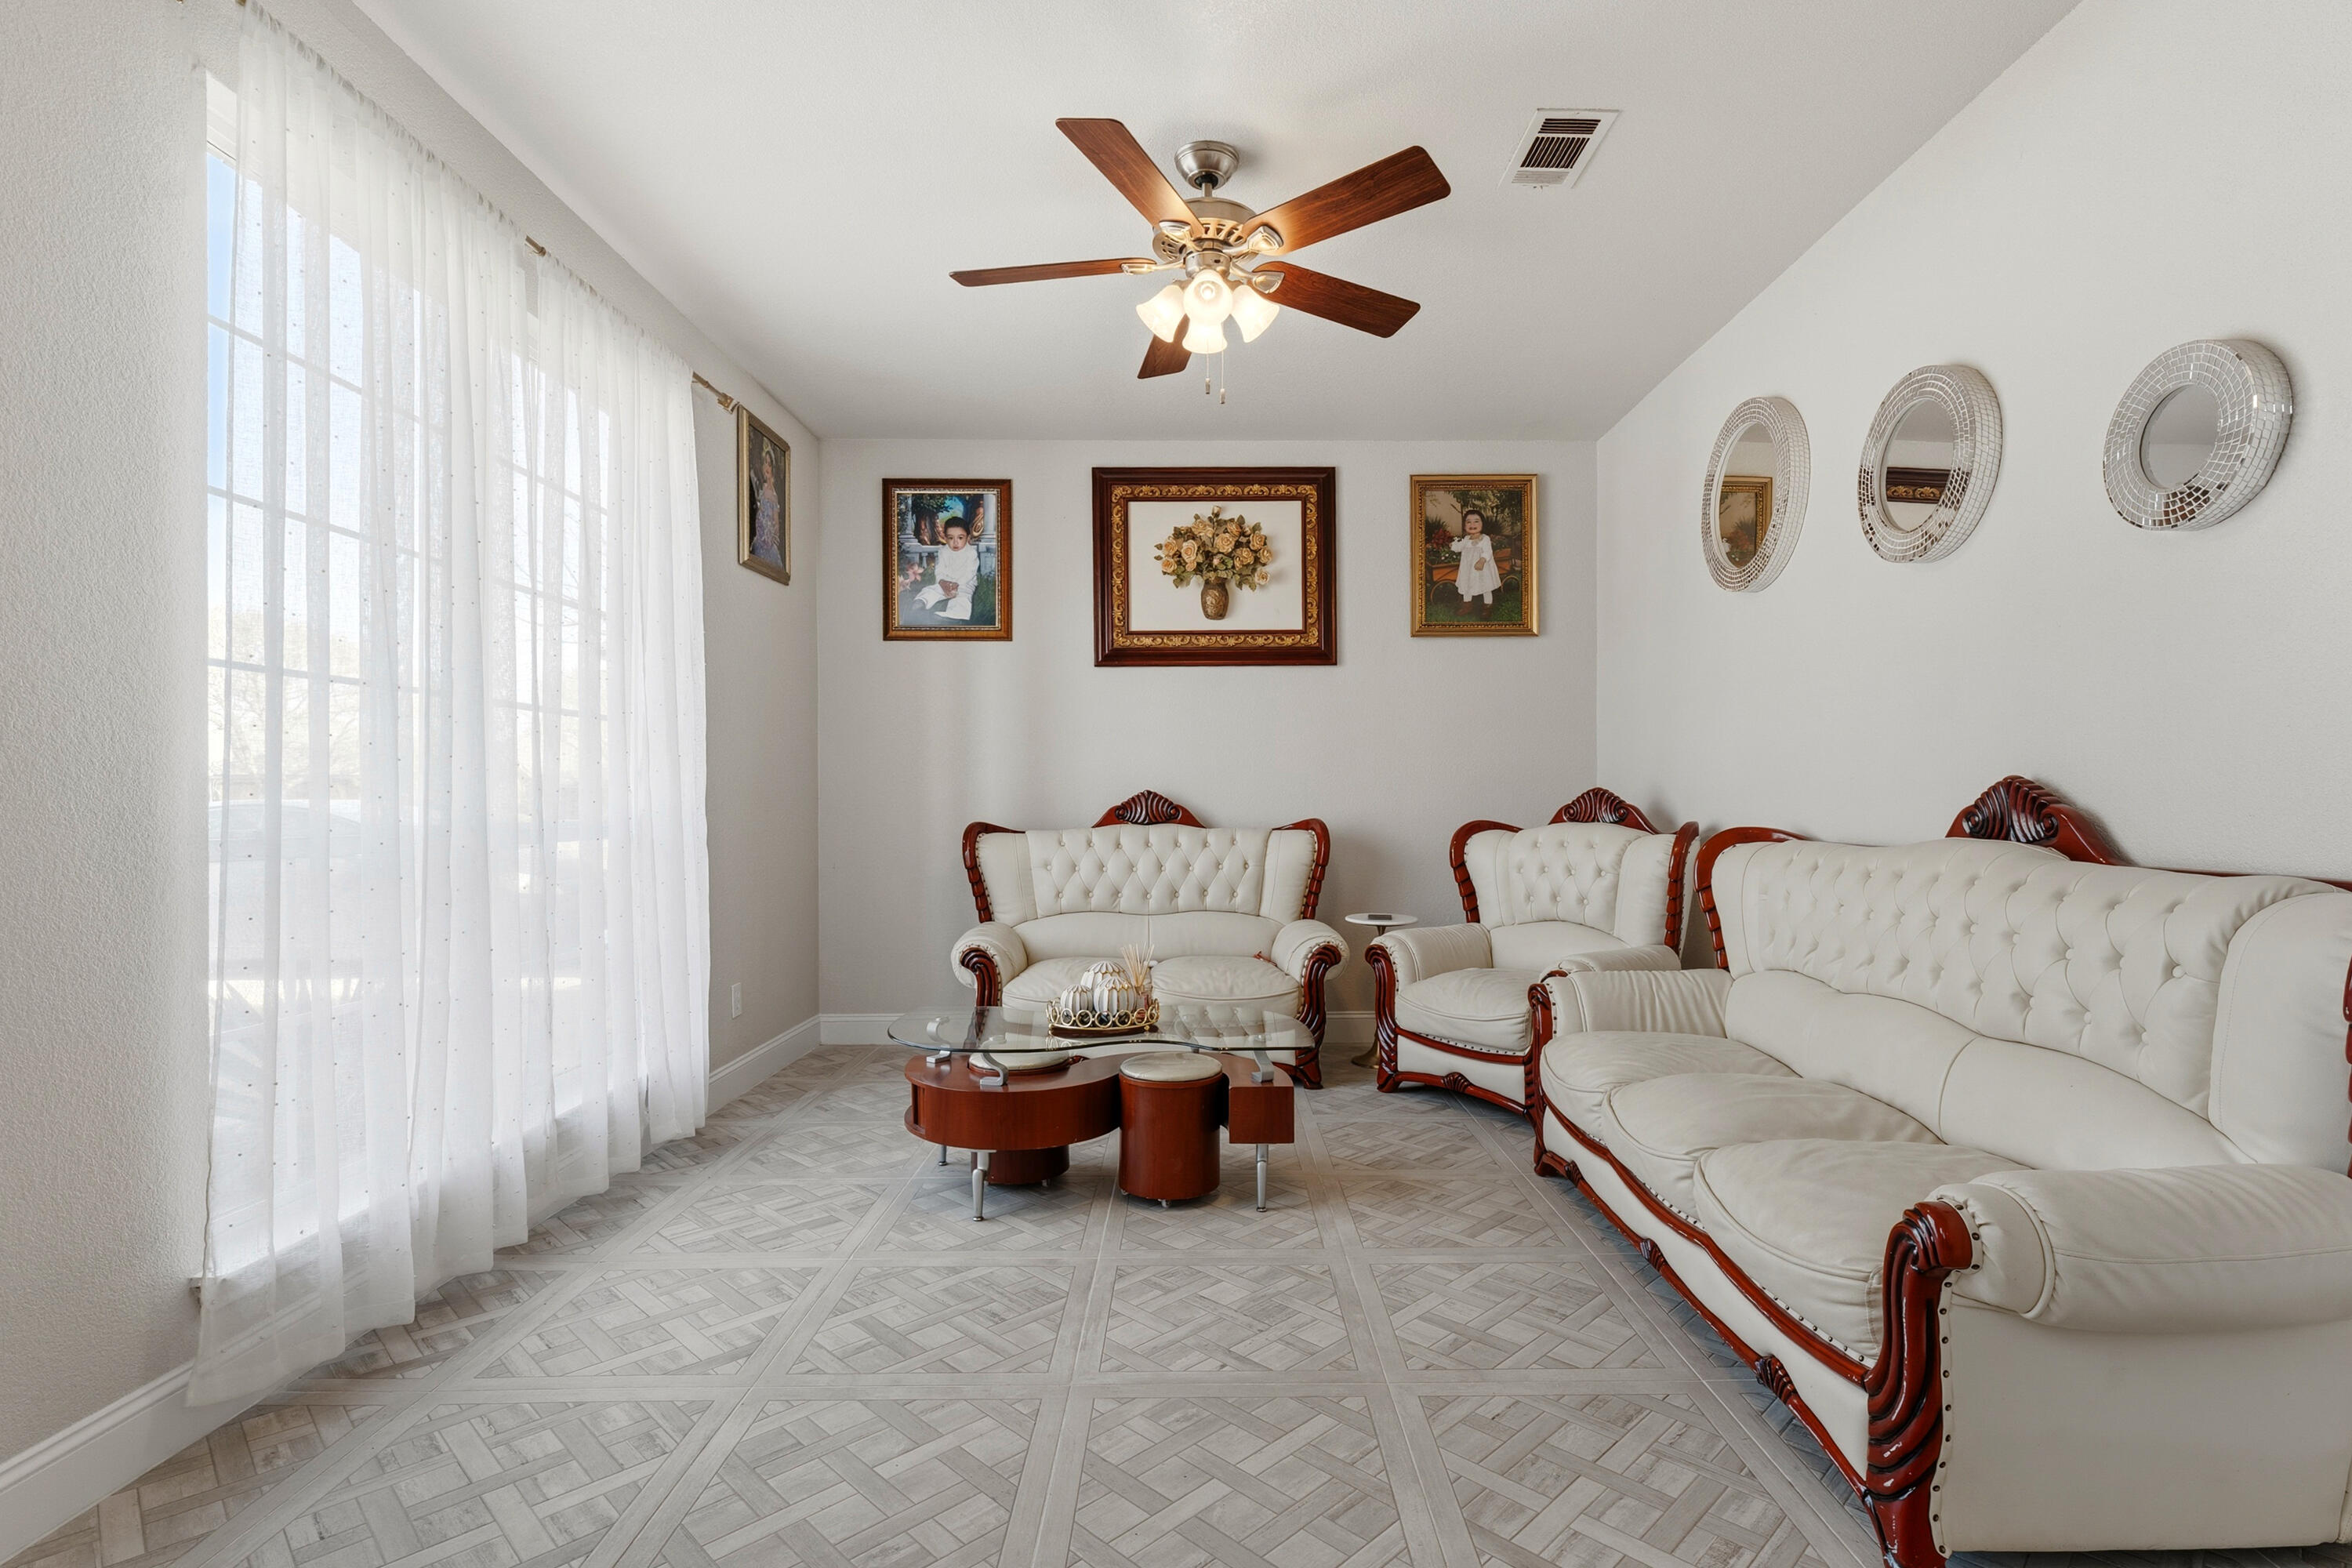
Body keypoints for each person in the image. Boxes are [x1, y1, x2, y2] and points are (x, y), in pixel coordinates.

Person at [916, 517, 981, 621]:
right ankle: (920, 603)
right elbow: (940, 570)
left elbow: (969, 574)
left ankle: (953, 616)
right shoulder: (943, 551)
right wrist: (942, 582)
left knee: (962, 597)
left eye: (960, 538)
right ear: (945, 538)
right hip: (946, 582)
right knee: (930, 590)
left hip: (964, 584)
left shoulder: (971, 553)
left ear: (968, 538)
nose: (955, 542)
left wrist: (956, 584)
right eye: (951, 538)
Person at [1451, 508, 1502, 615]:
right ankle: (1467, 605)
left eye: (1476, 521)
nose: (1472, 524)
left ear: (1482, 524)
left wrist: (1482, 560)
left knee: (1485, 586)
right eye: (1468, 522)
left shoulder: (1485, 539)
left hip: (1482, 569)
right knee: (1466, 584)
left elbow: (1488, 552)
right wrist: (1453, 546)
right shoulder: (1466, 539)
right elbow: (1459, 547)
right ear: (1465, 526)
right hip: (1468, 569)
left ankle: (1487, 606)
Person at [750, 445, 782, 563]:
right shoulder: (760, 487)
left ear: (773, 468)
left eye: (769, 464)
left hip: (767, 542)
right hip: (759, 537)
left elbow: (776, 522)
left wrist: (771, 536)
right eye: (765, 463)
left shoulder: (773, 495)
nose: (767, 467)